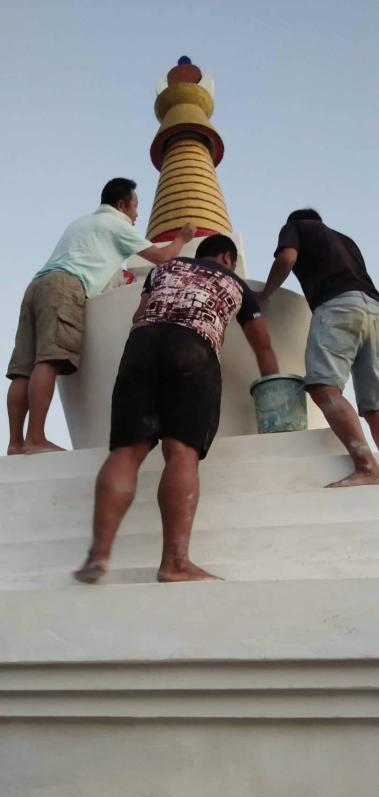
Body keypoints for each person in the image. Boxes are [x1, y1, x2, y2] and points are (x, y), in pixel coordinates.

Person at [74, 233, 279, 584]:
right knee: (181, 451)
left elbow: (139, 314)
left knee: (126, 452)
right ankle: (175, 563)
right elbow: (262, 344)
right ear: (227, 257)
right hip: (194, 348)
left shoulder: (164, 268)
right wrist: (275, 387)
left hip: (142, 345)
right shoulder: (236, 283)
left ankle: (98, 555)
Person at [6, 177, 195, 455]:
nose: (137, 214)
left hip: (38, 285)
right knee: (49, 359)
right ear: (121, 205)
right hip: (66, 287)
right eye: (135, 206)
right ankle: (35, 438)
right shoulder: (117, 224)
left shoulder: (82, 223)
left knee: (23, 368)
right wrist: (183, 238)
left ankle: (15, 443)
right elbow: (163, 257)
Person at [257, 208, 379, 488]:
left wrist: (265, 293)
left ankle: (367, 467)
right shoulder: (346, 240)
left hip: (338, 306)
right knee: (374, 405)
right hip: (374, 308)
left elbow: (287, 258)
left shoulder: (298, 227)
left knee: (323, 385)